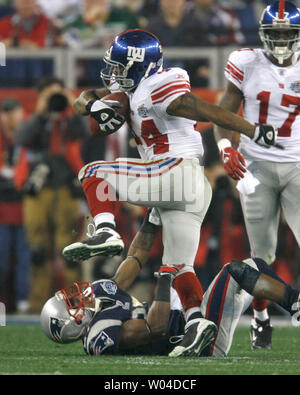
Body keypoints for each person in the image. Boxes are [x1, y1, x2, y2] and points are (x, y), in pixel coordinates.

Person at [62, 28, 280, 356]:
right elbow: (81, 101)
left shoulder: (160, 82)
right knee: (178, 267)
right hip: (187, 190)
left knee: (93, 172)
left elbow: (197, 107)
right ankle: (196, 322)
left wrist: (249, 129)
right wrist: (94, 105)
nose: (114, 74)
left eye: (120, 67)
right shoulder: (132, 92)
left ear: (141, 67)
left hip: (174, 172)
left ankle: (106, 230)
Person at [41, 211, 300, 357]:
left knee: (255, 267)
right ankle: (295, 302)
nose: (77, 296)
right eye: (72, 303)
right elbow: (156, 327)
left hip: (189, 320)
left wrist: (152, 219)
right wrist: (165, 280)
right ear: (72, 326)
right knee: (234, 272)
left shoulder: (99, 296)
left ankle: (273, 314)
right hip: (198, 345)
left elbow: (135, 257)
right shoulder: (98, 334)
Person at [214, 0, 300, 350]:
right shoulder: (246, 61)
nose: (280, 40)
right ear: (263, 34)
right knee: (262, 253)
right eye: (275, 33)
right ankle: (261, 317)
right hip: (256, 166)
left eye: (287, 34)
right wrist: (225, 147)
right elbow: (224, 109)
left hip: (297, 164)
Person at [14, 76, 90, 311]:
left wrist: (71, 105)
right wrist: (40, 114)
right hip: (38, 192)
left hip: (66, 190)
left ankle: (76, 305)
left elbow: (85, 134)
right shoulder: (34, 120)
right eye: (50, 95)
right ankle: (37, 305)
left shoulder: (70, 122)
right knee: (37, 250)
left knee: (69, 251)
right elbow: (21, 139)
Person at [0, 98, 31, 313]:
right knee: (1, 258)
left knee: (24, 257)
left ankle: (22, 301)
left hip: (24, 208)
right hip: (2, 210)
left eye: (15, 115)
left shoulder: (28, 135)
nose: (12, 120)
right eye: (7, 115)